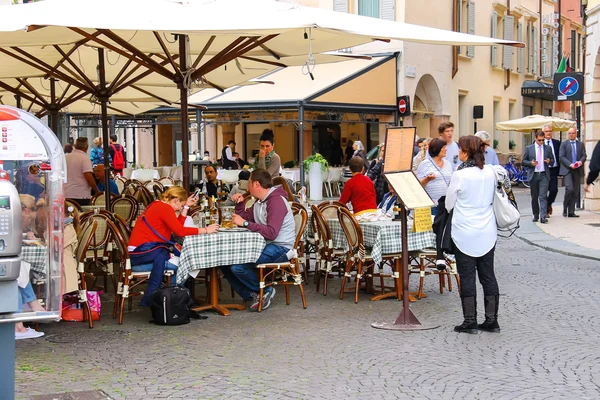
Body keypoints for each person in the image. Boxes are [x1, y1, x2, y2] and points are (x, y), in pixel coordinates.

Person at [128, 186, 219, 307]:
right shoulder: (165, 209)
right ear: (176, 200)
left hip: (140, 253)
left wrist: (186, 206)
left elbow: (176, 227)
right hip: (143, 257)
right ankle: (169, 296)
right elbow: (180, 231)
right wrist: (206, 230)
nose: (181, 208)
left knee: (188, 263)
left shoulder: (157, 205)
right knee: (190, 265)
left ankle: (168, 296)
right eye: (181, 205)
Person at [446, 135, 500, 334]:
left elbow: (449, 203)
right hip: (487, 229)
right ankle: (492, 320)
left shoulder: (460, 175)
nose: (458, 152)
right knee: (488, 276)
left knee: (467, 276)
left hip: (464, 231)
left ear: (466, 152)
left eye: (460, 149)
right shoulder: (490, 172)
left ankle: (470, 321)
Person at [224, 169, 296, 311]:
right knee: (224, 261)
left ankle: (266, 291)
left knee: (238, 266)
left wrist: (244, 223)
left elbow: (272, 233)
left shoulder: (276, 201)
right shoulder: (259, 202)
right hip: (264, 245)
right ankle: (253, 294)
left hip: (281, 247)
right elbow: (245, 218)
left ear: (256, 184)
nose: (247, 188)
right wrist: (240, 204)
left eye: (249, 184)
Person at [522, 131, 554, 224]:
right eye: (539, 140)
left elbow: (552, 160)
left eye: (542, 140)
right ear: (535, 139)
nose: (541, 142)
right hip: (534, 175)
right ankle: (536, 214)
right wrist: (530, 163)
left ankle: (543, 216)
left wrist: (549, 161)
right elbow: (524, 161)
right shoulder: (529, 148)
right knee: (534, 197)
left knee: (543, 196)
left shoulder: (548, 148)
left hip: (544, 174)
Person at [416, 138, 453, 215]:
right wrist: (427, 179)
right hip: (432, 205)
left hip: (446, 204)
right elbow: (418, 186)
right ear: (437, 149)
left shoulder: (448, 164)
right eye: (443, 148)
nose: (446, 149)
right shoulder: (424, 164)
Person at [559, 127, 587, 218]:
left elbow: (584, 155)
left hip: (577, 170)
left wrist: (580, 162)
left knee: (575, 191)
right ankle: (565, 207)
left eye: (573, 133)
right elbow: (561, 157)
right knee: (569, 189)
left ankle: (571, 211)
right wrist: (570, 164)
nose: (571, 135)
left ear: (576, 134)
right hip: (568, 170)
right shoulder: (564, 144)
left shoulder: (581, 144)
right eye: (570, 133)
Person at [64, 137, 99, 206]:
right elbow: (88, 176)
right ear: (86, 146)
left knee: (70, 214)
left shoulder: (66, 158)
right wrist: (96, 190)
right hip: (80, 195)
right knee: (81, 215)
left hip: (66, 193)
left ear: (75, 146)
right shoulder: (85, 158)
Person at [543, 124, 561, 216]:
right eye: (546, 131)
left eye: (550, 131)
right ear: (544, 133)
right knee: (544, 190)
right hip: (544, 170)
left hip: (554, 169)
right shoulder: (540, 142)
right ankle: (545, 210)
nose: (548, 133)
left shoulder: (557, 142)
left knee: (554, 190)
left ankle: (549, 203)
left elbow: (560, 155)